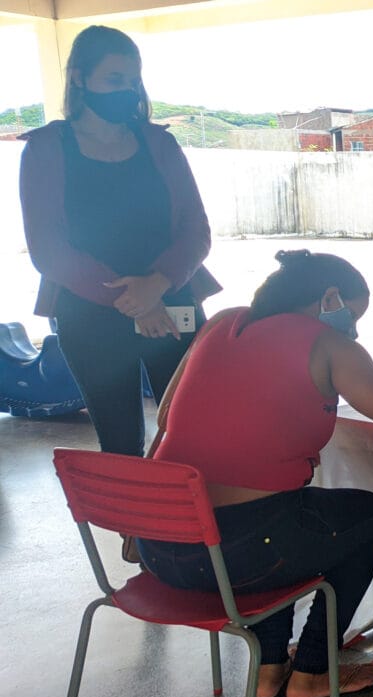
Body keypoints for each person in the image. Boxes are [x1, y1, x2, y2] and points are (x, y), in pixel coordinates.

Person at [136, 250, 373, 697]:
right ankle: (313, 668)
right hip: (239, 560)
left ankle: (269, 668)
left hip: (161, 548)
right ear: (329, 297)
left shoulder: (221, 323)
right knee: (364, 515)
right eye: (352, 315)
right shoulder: (328, 343)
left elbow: (166, 415)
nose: (353, 328)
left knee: (287, 510)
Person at [18, 25, 219, 457]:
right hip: (90, 311)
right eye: (115, 80)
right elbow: (48, 249)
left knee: (191, 434)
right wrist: (135, 301)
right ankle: (138, 528)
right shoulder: (45, 149)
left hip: (173, 302)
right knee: (121, 442)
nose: (128, 90)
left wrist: (157, 285)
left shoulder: (159, 144)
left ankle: (196, 525)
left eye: (133, 80)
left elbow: (196, 232)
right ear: (78, 78)